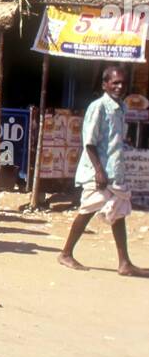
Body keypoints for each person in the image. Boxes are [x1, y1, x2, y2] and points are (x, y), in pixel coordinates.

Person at [59, 66, 147, 277]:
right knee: (88, 209)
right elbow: (89, 142)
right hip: (98, 172)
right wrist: (99, 171)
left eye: (122, 83)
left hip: (115, 172)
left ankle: (124, 263)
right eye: (114, 83)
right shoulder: (98, 107)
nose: (119, 87)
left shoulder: (121, 108)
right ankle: (66, 253)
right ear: (105, 85)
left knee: (119, 213)